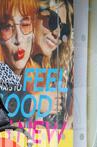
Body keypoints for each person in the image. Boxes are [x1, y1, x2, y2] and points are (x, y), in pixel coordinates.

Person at [0, 0, 39, 122]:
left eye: (25, 24)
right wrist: (35, 101)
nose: (18, 38)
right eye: (8, 26)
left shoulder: (42, 79)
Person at [32, 0, 74, 128]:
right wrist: (34, 102)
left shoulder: (61, 68)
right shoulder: (13, 63)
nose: (57, 33)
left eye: (64, 28)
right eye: (53, 21)